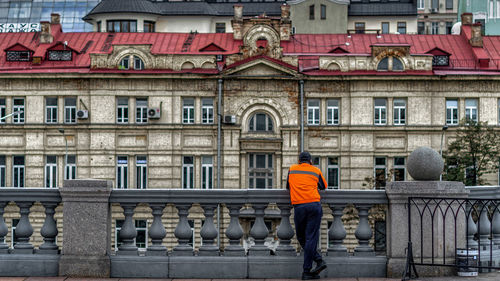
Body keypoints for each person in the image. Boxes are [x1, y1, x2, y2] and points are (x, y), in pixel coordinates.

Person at [287, 151, 327, 280]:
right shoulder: (315, 170)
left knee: (301, 237)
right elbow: (324, 186)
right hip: (314, 206)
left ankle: (309, 270)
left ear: (299, 161)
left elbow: (288, 187)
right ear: (310, 161)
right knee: (311, 238)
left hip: (299, 207)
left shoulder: (292, 169)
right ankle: (316, 262)